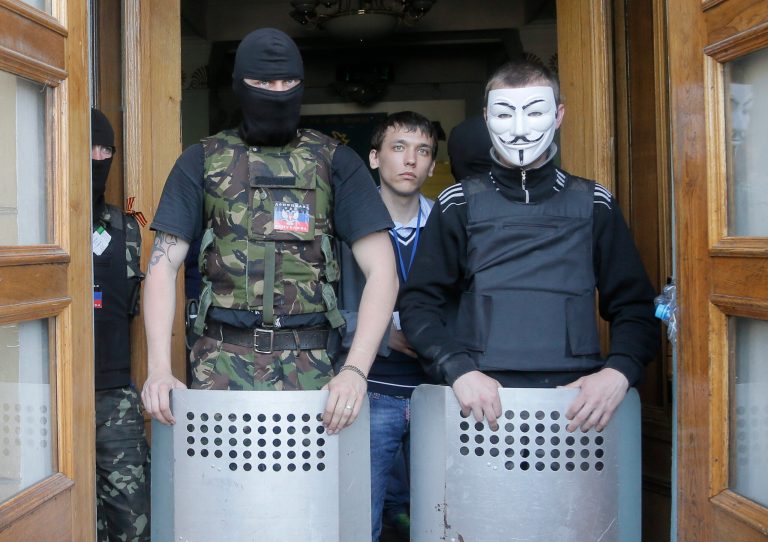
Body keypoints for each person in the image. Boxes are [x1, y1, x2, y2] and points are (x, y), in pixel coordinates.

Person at [140, 28, 397, 436]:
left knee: (308, 498)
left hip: (314, 374)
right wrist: (158, 369)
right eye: (262, 83)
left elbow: (383, 271)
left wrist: (355, 370)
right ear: (240, 86)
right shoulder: (201, 160)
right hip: (220, 366)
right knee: (220, 494)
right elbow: (161, 266)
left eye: (288, 83)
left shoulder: (336, 162)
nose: (277, 93)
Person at [399, 60, 660, 434]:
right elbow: (419, 303)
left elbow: (635, 306)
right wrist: (457, 370)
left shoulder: (595, 202)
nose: (520, 130)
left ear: (558, 115)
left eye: (535, 112)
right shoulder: (457, 202)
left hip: (574, 408)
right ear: (487, 117)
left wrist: (619, 371)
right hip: (480, 406)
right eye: (505, 114)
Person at [336, 111, 437, 541]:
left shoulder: (447, 223)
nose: (410, 160)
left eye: (423, 151)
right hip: (369, 390)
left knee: (441, 514)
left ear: (432, 165)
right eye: (398, 148)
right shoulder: (345, 225)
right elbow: (325, 307)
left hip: (437, 391)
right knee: (361, 517)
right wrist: (380, 334)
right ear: (374, 158)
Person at [91, 108, 151, 541]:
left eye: (105, 149)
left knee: (131, 523)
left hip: (116, 399)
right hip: (51, 396)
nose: (98, 156)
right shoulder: (40, 227)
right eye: (89, 147)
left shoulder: (127, 228)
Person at [446, 114, 492, 182]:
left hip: (464, 185)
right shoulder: (499, 130)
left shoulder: (459, 129)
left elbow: (454, 165)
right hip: (496, 186)